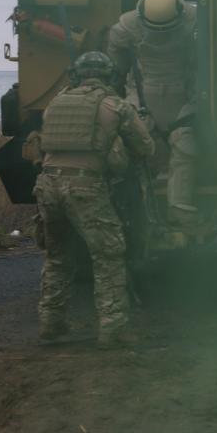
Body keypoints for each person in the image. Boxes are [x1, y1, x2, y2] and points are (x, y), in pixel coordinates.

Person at [35, 52, 154, 348]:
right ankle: (113, 330)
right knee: (108, 255)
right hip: (84, 187)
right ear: (108, 76)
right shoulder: (115, 105)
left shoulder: (55, 104)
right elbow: (145, 148)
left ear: (75, 75)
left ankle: (51, 324)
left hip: (47, 185)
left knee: (58, 256)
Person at [107, 0, 198, 235]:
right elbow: (115, 57)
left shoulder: (194, 22)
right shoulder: (127, 27)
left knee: (184, 148)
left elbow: (115, 57)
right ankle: (141, 211)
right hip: (144, 92)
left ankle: (177, 208)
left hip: (180, 95)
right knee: (139, 153)